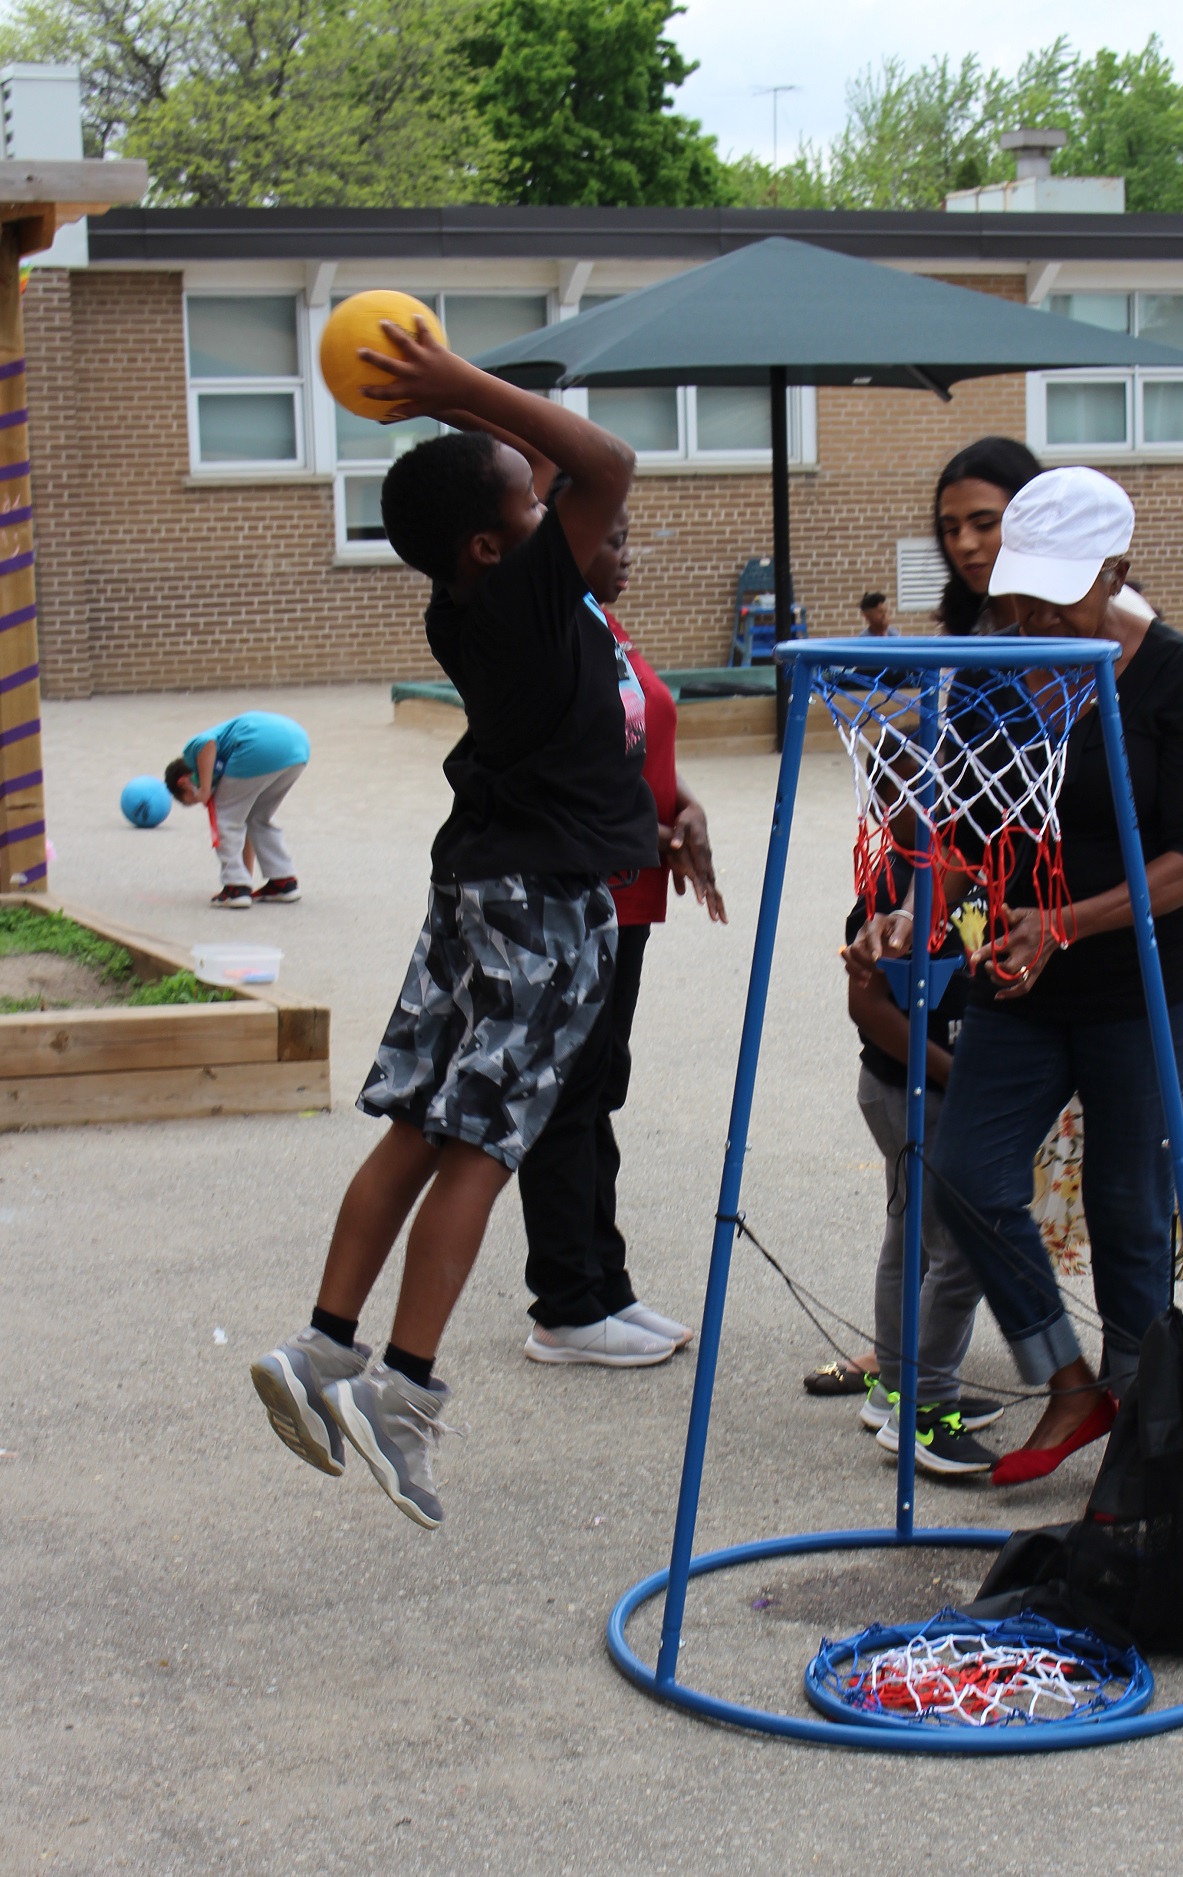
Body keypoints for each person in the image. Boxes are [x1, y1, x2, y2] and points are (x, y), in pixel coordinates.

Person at [249, 316, 656, 1529]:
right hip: (545, 907)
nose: (556, 503)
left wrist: (447, 414)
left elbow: (544, 475)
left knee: (422, 1126)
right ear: (496, 540)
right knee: (484, 1143)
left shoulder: (466, 604)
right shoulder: (529, 596)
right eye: (531, 505)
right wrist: (455, 383)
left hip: (476, 891)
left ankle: (324, 1345)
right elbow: (609, 460)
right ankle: (404, 1387)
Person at [850, 465, 1183, 1486]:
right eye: (1015, 593)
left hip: (1140, 987)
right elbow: (968, 843)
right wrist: (933, 915)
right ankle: (1067, 1381)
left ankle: (1142, 1432)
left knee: (1126, 1205)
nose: (1024, 613)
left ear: (1113, 572)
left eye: (1050, 596)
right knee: (967, 1172)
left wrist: (1062, 921)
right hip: (1021, 988)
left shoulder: (1173, 676)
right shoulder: (989, 668)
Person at [517, 486, 727, 1366]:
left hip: (629, 891)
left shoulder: (603, 623)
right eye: (613, 538)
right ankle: (563, 1306)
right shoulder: (546, 635)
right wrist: (645, 827)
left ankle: (606, 1284)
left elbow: (639, 745)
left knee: (599, 1085)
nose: (627, 550)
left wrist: (683, 804)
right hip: (576, 891)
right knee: (566, 1095)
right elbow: (549, 772)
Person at [841, 741, 1004, 1475]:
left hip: (933, 1086)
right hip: (909, 1089)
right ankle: (923, 1409)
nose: (939, 812)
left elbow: (977, 961)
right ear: (885, 811)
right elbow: (869, 1010)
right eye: (917, 799)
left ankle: (893, 1385)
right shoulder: (884, 894)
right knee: (955, 1244)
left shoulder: (962, 878)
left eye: (948, 796)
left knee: (910, 1233)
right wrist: (956, 1075)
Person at [165, 711, 309, 907]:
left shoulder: (192, 754)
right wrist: (246, 879)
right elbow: (244, 821)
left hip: (260, 746)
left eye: (193, 800)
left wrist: (204, 789)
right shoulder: (223, 760)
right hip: (297, 747)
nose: (202, 802)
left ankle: (234, 887)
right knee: (258, 818)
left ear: (183, 783)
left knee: (224, 817)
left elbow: (206, 743)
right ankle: (283, 881)